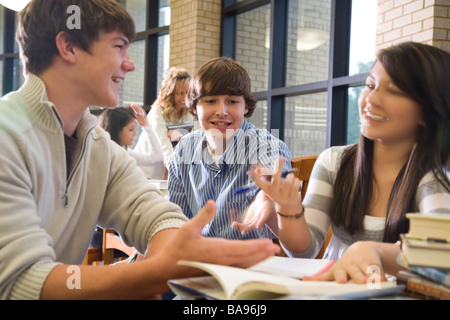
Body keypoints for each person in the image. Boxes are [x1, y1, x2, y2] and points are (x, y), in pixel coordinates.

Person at [0, 0, 279, 300]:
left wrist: (163, 267)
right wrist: (151, 275)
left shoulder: (97, 146)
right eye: (118, 47)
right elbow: (20, 283)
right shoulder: (7, 135)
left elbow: (157, 217)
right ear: (68, 47)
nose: (130, 64)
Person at [233, 42, 450, 283]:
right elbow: (304, 250)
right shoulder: (335, 162)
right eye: (370, 85)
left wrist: (376, 251)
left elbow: (440, 259)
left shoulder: (434, 179)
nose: (370, 99)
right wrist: (287, 207)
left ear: (427, 111)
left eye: (394, 90)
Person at [167, 57, 292, 240]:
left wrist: (268, 198)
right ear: (194, 107)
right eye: (210, 101)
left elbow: (273, 184)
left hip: (248, 263)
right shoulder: (184, 148)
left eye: (232, 101)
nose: (222, 111)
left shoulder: (267, 147)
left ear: (245, 106)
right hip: (196, 261)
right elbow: (176, 221)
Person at [134, 67, 195, 168]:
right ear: (171, 93)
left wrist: (179, 136)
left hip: (168, 168)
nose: (184, 98)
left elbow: (193, 141)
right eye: (179, 93)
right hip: (146, 168)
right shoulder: (157, 111)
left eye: (187, 93)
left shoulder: (189, 112)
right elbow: (164, 146)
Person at [98, 105, 165, 179]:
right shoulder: (104, 154)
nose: (135, 133)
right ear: (117, 131)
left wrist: (146, 126)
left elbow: (157, 157)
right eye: (131, 129)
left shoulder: (125, 152)